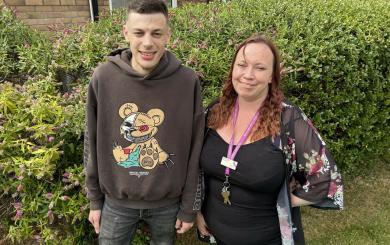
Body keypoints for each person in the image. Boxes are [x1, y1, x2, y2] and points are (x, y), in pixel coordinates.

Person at [196, 34, 343, 245]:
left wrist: (282, 198)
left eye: (260, 68)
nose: (248, 74)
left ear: (272, 76)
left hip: (268, 237)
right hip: (216, 233)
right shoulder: (215, 111)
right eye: (242, 65)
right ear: (233, 70)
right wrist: (198, 212)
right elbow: (198, 167)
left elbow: (326, 180)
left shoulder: (288, 120)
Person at [83, 0, 204, 244]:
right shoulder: (104, 78)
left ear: (168, 35)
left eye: (156, 33)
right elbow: (91, 142)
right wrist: (95, 200)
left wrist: (190, 206)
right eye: (139, 32)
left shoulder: (187, 82)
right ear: (125, 32)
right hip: (116, 204)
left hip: (168, 205)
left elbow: (196, 148)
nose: (148, 42)